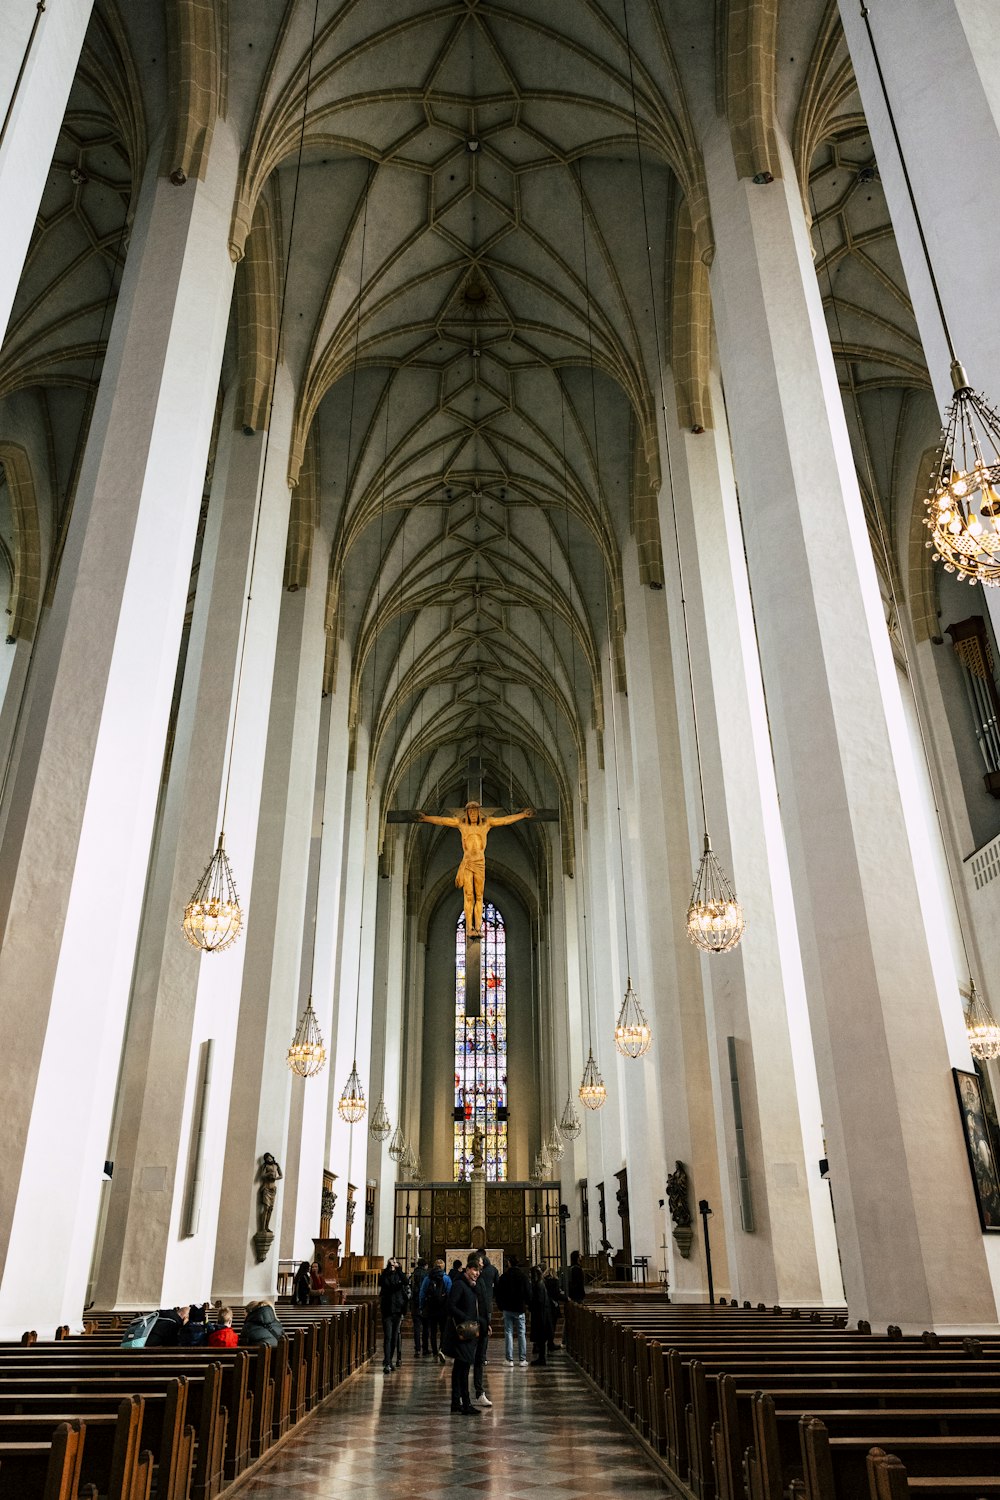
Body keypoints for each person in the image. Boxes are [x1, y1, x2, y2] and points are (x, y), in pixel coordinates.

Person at [444, 1253, 483, 1415]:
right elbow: (450, 1305)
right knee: (464, 1368)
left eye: (479, 1270)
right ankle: (465, 1403)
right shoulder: (460, 1284)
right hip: (461, 1332)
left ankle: (456, 1402)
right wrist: (466, 1318)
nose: (477, 1273)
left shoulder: (470, 1285)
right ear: (467, 1269)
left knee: (460, 1368)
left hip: (468, 1332)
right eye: (474, 1269)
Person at [495, 1254, 530, 1366]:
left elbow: (498, 1293)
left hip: (507, 1308)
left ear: (509, 1263)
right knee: (521, 1333)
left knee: (508, 1333)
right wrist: (527, 1304)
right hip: (519, 1308)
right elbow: (528, 1292)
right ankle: (522, 1359)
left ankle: (509, 1359)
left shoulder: (504, 1276)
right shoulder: (523, 1276)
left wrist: (500, 1306)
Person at [471, 1251, 496, 1408]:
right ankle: (460, 1395)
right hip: (471, 1325)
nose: (482, 1264)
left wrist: (487, 1323)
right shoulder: (463, 1282)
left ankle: (479, 1392)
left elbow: (484, 1303)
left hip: (482, 1323)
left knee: (479, 1359)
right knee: (466, 1360)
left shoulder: (480, 1280)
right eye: (480, 1263)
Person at [379, 1256, 409, 1374]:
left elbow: (406, 1282)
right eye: (392, 1263)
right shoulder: (385, 1275)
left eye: (396, 1263)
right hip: (387, 1310)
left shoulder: (399, 1275)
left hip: (397, 1309)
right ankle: (387, 1362)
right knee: (388, 1336)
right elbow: (382, 1283)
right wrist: (388, 1270)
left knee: (394, 1337)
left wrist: (399, 1270)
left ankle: (390, 1360)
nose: (394, 1264)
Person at [419, 1258, 452, 1362]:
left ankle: (434, 1351)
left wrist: (421, 1306)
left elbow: (422, 1293)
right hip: (443, 1308)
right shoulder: (446, 1278)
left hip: (431, 1307)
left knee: (433, 1331)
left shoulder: (428, 1278)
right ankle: (441, 1349)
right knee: (443, 1331)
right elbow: (450, 1293)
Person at [528, 1265, 554, 1365]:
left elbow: (538, 1301)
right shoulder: (540, 1284)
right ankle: (541, 1357)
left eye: (531, 1274)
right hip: (541, 1314)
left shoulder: (538, 1285)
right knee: (541, 1337)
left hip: (540, 1315)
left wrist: (531, 1304)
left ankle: (541, 1358)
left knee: (541, 1337)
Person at [409, 1257, 429, 1355]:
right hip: (424, 1303)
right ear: (425, 1265)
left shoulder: (413, 1274)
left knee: (416, 1327)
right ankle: (425, 1348)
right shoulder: (426, 1275)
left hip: (414, 1303)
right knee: (425, 1327)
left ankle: (417, 1348)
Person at [542, 1264, 563, 1350]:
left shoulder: (543, 1281)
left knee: (545, 1326)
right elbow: (557, 1294)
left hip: (545, 1306)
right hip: (553, 1306)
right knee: (552, 1326)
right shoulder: (554, 1281)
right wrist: (565, 1298)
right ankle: (550, 1343)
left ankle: (541, 1344)